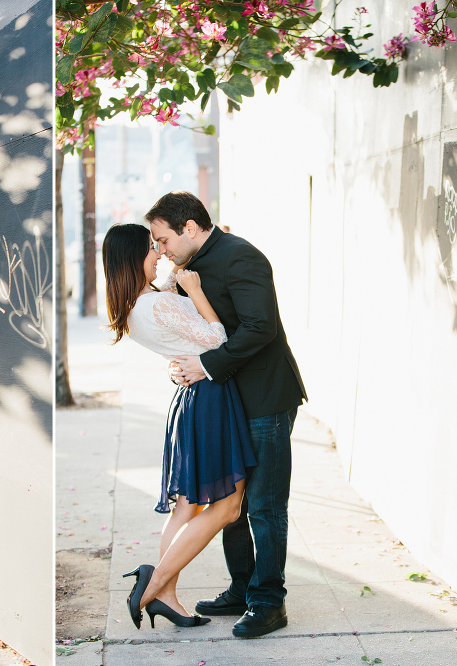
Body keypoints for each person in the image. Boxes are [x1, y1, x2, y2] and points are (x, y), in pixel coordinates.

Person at [148, 191, 307, 638]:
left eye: (163, 239)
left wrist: (207, 365)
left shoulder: (241, 258)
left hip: (264, 399)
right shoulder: (187, 267)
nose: (160, 250)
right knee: (228, 506)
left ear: (190, 227)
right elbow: (199, 330)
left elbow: (261, 327)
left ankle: (268, 603)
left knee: (265, 506)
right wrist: (183, 362)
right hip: (224, 402)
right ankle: (241, 588)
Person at [102, 223, 257, 630]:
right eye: (152, 249)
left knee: (189, 505)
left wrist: (182, 275)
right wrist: (200, 293)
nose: (158, 254)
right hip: (211, 397)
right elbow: (217, 339)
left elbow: (175, 319)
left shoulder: (138, 306)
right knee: (228, 507)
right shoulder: (152, 306)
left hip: (194, 399)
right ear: (134, 258)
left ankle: (164, 592)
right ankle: (152, 585)